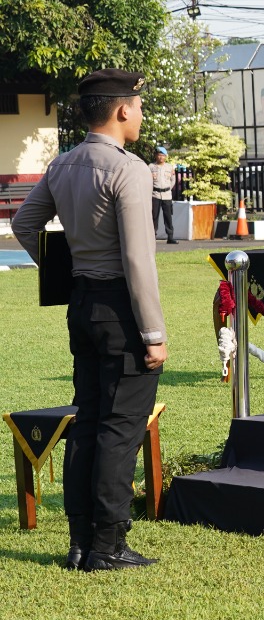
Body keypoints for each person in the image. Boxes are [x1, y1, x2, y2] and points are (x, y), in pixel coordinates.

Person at [14, 69, 167, 571]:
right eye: (139, 106)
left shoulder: (63, 164)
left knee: (87, 422)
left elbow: (24, 222)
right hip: (120, 308)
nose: (141, 115)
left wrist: (63, 272)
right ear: (122, 110)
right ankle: (107, 545)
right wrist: (154, 335)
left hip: (81, 304)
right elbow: (139, 260)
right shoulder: (130, 169)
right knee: (120, 429)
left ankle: (80, 541)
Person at [150, 146, 177, 245]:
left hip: (166, 195)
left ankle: (170, 237)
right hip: (155, 194)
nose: (160, 157)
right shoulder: (151, 167)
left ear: (165, 157)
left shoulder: (169, 167)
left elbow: (173, 180)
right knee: (154, 217)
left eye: (162, 155)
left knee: (168, 217)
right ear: (155, 156)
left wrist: (167, 188)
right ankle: (152, 237)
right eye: (159, 155)